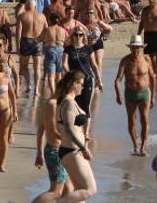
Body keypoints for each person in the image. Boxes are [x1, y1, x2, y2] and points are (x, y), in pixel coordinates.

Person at [32, 73, 76, 203]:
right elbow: (53, 131)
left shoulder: (50, 103)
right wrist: (75, 142)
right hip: (55, 151)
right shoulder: (53, 104)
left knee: (69, 189)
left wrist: (39, 153)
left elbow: (41, 130)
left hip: (54, 150)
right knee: (56, 192)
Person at [56, 68, 97, 202]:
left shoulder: (70, 101)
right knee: (90, 190)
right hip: (73, 151)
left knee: (80, 192)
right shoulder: (68, 102)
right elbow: (68, 128)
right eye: (81, 83)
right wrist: (83, 147)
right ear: (74, 84)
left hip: (71, 150)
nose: (83, 87)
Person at [114, 35, 156, 156]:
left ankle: (143, 147)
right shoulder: (126, 60)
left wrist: (152, 96)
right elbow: (117, 80)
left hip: (144, 93)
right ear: (130, 48)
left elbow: (153, 77)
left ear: (142, 47)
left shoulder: (147, 59)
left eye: (138, 48)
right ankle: (135, 145)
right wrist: (118, 94)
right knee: (132, 121)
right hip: (130, 93)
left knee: (145, 119)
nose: (136, 50)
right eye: (134, 47)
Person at [17, 0, 47, 96]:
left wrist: (18, 46)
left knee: (24, 66)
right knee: (37, 67)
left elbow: (18, 33)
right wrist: (42, 40)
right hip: (37, 42)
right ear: (35, 6)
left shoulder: (22, 16)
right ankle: (36, 90)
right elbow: (46, 30)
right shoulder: (42, 16)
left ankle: (29, 84)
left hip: (26, 40)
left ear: (26, 6)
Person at [39, 13, 68, 97]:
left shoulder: (48, 29)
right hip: (60, 50)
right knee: (58, 74)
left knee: (51, 76)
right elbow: (68, 41)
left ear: (50, 20)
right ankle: (58, 92)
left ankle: (52, 93)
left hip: (50, 50)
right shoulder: (62, 30)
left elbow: (40, 38)